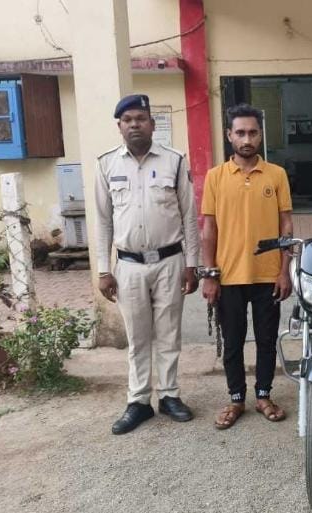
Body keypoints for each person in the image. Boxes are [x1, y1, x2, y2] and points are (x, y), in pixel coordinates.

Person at [95, 94, 200, 435]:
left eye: (141, 118)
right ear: (120, 127)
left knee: (169, 334)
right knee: (137, 338)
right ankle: (139, 401)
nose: (135, 125)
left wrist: (192, 264)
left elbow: (189, 216)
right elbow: (102, 221)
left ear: (152, 125)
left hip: (170, 261)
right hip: (128, 266)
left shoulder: (174, 161)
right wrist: (103, 270)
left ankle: (169, 396)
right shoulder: (107, 165)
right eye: (128, 120)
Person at [201, 103, 293, 430]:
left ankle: (264, 395)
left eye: (252, 132)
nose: (247, 139)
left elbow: (286, 225)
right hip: (228, 276)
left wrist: (284, 270)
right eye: (240, 132)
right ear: (229, 135)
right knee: (233, 342)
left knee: (267, 339)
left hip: (268, 274)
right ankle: (236, 398)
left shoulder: (276, 175)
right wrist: (210, 275)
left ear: (260, 135)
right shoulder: (215, 177)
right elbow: (209, 229)